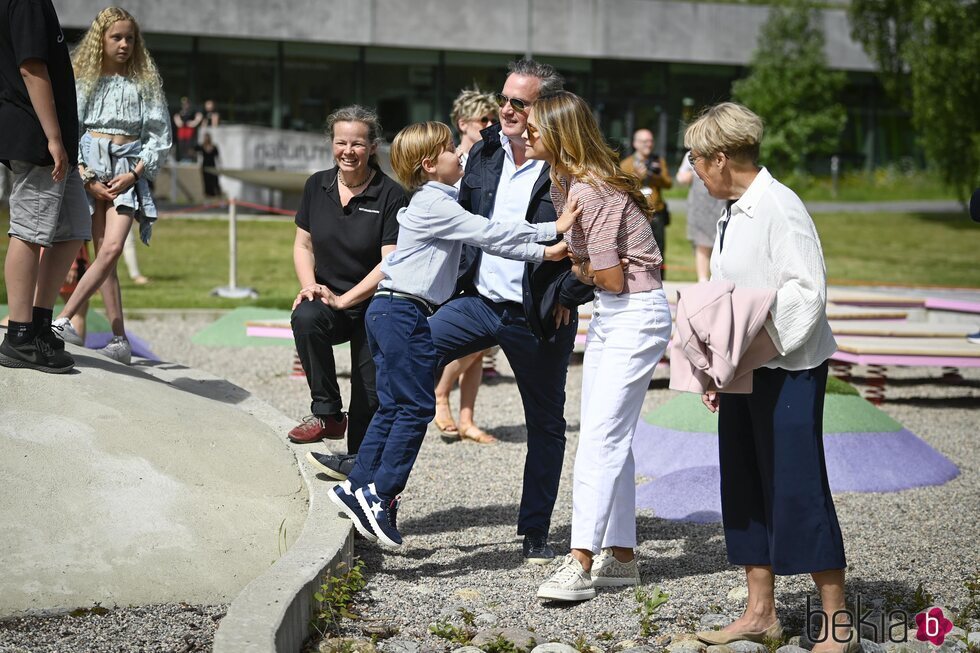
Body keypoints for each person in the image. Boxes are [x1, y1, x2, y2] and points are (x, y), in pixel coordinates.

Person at [326, 120, 577, 548]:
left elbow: (483, 225)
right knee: (416, 408)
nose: (458, 154)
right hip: (404, 311)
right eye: (448, 150)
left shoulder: (435, 198)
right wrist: (550, 239)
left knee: (395, 404)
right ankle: (379, 495)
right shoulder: (436, 204)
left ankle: (356, 484)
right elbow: (489, 233)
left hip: (389, 310)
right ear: (429, 164)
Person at [684, 103, 852, 653]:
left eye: (696, 159)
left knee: (796, 484)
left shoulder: (780, 207)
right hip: (745, 370)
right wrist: (714, 367)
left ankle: (837, 623)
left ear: (721, 157)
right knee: (745, 483)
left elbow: (807, 296)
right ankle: (761, 613)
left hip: (788, 369)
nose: (693, 169)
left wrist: (746, 357)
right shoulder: (733, 209)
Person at [427, 59, 596, 564]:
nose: (505, 108)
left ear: (545, 109)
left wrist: (567, 295)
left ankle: (535, 532)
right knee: (405, 352)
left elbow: (597, 245)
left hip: (540, 315)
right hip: (476, 303)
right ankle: (372, 486)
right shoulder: (482, 153)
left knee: (545, 425)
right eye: (504, 98)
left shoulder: (572, 166)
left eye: (519, 102)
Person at [523, 92, 672, 601]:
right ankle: (623, 557)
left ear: (562, 134)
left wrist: (576, 266)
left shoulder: (593, 188)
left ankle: (580, 560)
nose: (527, 133)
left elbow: (605, 275)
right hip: (612, 315)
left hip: (636, 313)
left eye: (536, 127)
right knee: (610, 436)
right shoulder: (562, 181)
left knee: (599, 440)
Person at [49, 6, 171, 365]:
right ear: (101, 39)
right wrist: (86, 176)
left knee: (113, 248)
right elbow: (72, 126)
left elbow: (159, 135)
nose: (124, 44)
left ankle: (64, 318)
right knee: (104, 258)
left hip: (127, 169)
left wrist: (134, 174)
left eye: (130, 38)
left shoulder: (144, 83)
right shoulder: (84, 79)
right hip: (90, 167)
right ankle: (120, 340)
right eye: (116, 37)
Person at [291, 106, 408, 482]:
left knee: (369, 395)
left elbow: (388, 263)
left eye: (357, 143)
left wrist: (345, 299)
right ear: (332, 144)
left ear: (372, 147)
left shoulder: (391, 195)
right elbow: (303, 244)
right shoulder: (316, 185)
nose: (348, 150)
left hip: (376, 306)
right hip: (329, 300)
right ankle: (327, 415)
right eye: (341, 142)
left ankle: (360, 472)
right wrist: (310, 286)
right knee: (305, 316)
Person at [0, 0, 91, 373]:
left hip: (58, 141)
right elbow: (31, 66)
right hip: (37, 135)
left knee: (74, 227)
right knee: (30, 230)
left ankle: (39, 322)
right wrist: (53, 137)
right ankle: (19, 335)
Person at [432, 87, 499, 443]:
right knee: (470, 342)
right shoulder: (453, 160)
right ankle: (441, 395)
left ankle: (467, 418)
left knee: (482, 347)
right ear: (463, 123)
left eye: (493, 118)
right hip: (460, 259)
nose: (491, 125)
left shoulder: (493, 157)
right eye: (484, 120)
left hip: (487, 252)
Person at [620, 128, 671, 276]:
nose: (648, 144)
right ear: (635, 143)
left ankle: (661, 279)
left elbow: (668, 183)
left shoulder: (658, 161)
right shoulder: (627, 164)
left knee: (660, 248)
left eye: (650, 141)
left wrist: (653, 176)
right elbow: (623, 188)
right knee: (638, 248)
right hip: (636, 215)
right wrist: (637, 176)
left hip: (657, 213)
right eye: (644, 141)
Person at [677, 149, 726, 281]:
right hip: (700, 204)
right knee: (701, 242)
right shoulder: (691, 154)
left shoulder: (722, 151)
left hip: (720, 202)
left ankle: (718, 279)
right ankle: (703, 280)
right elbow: (680, 176)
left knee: (722, 241)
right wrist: (687, 176)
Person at [172, 95, 201, 161]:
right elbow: (177, 120)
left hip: (190, 132)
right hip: (181, 132)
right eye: (183, 104)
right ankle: (182, 158)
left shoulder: (193, 111)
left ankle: (190, 159)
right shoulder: (179, 112)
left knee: (190, 146)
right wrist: (179, 122)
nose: (185, 105)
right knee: (181, 146)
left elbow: (198, 118)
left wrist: (193, 123)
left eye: (186, 103)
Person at [195, 132, 220, 197]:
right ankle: (207, 193)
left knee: (213, 179)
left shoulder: (214, 147)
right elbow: (195, 149)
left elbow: (217, 156)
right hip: (205, 165)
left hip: (212, 165)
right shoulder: (202, 146)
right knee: (206, 179)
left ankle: (214, 193)